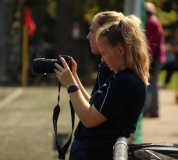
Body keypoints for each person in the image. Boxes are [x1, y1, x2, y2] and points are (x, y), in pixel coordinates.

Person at [54, 15, 150, 160]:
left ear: (120, 50)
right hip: (95, 149)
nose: (102, 59)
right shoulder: (122, 77)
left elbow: (89, 118)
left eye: (104, 53)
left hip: (97, 152)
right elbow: (93, 106)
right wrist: (73, 78)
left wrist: (70, 85)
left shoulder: (126, 82)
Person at [144, 2, 165, 118]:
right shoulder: (154, 21)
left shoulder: (152, 23)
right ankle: (152, 109)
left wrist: (147, 59)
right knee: (152, 84)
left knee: (151, 85)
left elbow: (151, 44)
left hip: (154, 59)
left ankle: (152, 110)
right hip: (156, 58)